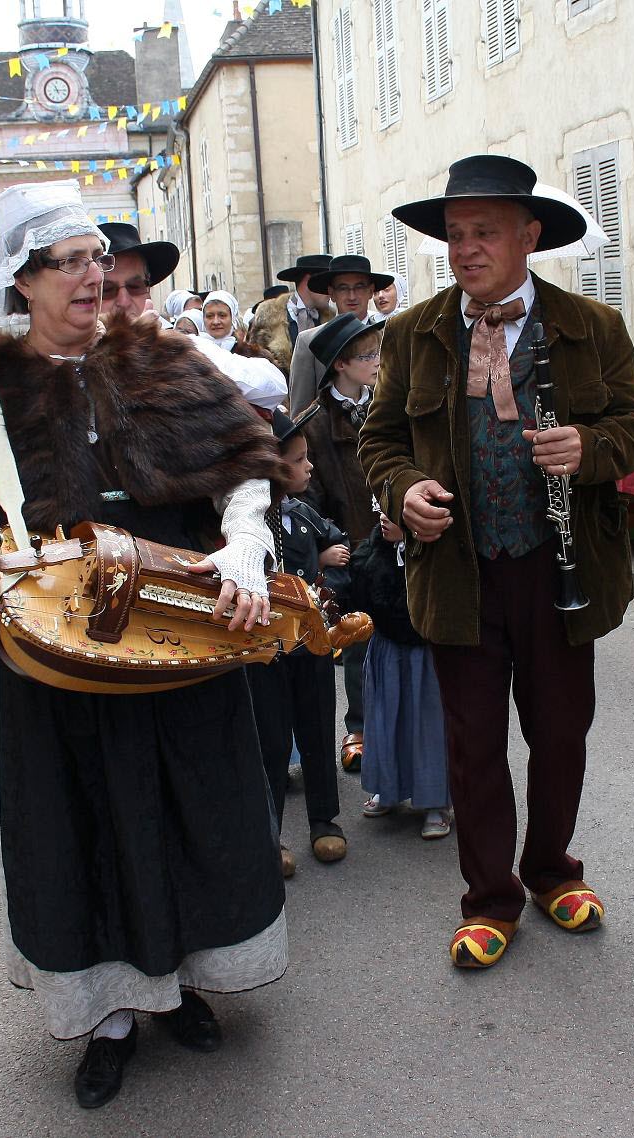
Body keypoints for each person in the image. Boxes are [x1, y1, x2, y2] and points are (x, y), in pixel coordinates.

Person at [0, 181, 286, 1109]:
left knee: (189, 803)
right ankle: (108, 1016)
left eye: (99, 259)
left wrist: (243, 540)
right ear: (23, 282)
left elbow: (246, 466)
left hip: (176, 630)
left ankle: (183, 986)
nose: (97, 276)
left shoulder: (161, 360)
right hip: (62, 654)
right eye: (72, 262)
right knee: (80, 824)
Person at [358, 154, 634, 969]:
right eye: (454, 235)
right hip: (458, 573)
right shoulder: (414, 331)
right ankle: (488, 899)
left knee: (561, 736)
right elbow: (378, 440)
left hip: (561, 570)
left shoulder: (589, 326)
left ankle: (552, 871)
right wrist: (404, 491)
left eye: (483, 232)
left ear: (528, 236)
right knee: (473, 743)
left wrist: (590, 447)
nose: (464, 249)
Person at [248, 406, 352, 874]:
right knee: (269, 741)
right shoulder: (245, 525)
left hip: (310, 647)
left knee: (315, 729)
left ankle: (324, 820)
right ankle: (268, 835)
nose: (309, 467)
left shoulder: (304, 516)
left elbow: (339, 550)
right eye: (299, 460)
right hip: (264, 652)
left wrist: (328, 564)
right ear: (273, 468)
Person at [97, 223, 286, 414]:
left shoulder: (178, 344)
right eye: (107, 290)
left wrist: (169, 351)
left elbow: (274, 387)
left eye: (135, 286)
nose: (123, 301)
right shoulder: (73, 360)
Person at [306, 314, 384, 773]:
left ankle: (401, 728)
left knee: (403, 644)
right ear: (340, 365)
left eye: (377, 352)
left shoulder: (389, 405)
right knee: (357, 643)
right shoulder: (313, 425)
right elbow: (304, 497)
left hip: (395, 543)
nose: (376, 362)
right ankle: (357, 728)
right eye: (366, 355)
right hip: (350, 550)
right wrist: (323, 547)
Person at [344, 512, 452, 840]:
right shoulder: (376, 549)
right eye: (379, 509)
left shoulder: (436, 553)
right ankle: (387, 790)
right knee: (385, 718)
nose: (381, 517)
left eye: (392, 512)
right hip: (387, 646)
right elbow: (358, 587)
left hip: (426, 650)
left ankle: (436, 802)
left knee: (427, 725)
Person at [288, 255, 391, 416]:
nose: (352, 296)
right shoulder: (309, 340)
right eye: (343, 288)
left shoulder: (391, 337)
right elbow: (301, 412)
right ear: (331, 293)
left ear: (371, 291)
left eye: (359, 287)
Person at [247, 254, 334, 373]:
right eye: (327, 283)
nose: (331, 290)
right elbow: (253, 366)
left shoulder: (332, 319)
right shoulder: (266, 318)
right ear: (309, 281)